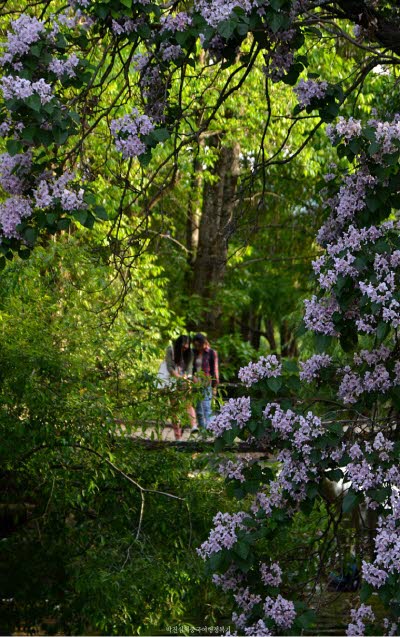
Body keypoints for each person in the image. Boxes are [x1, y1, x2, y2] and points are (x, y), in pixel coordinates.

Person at [164, 335, 197, 440]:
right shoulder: (170, 350)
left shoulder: (190, 353)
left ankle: (194, 426)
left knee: (188, 404)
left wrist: (186, 378)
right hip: (172, 381)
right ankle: (177, 435)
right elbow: (169, 366)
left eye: (186, 347)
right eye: (182, 347)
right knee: (175, 408)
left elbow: (190, 368)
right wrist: (178, 377)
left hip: (184, 381)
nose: (184, 349)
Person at [192, 333, 219, 429]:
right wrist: (192, 376)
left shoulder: (211, 353)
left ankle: (210, 428)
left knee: (207, 406)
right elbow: (190, 367)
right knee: (198, 408)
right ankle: (202, 429)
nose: (198, 347)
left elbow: (214, 369)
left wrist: (215, 384)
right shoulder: (193, 353)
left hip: (206, 382)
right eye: (196, 345)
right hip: (195, 383)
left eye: (199, 345)